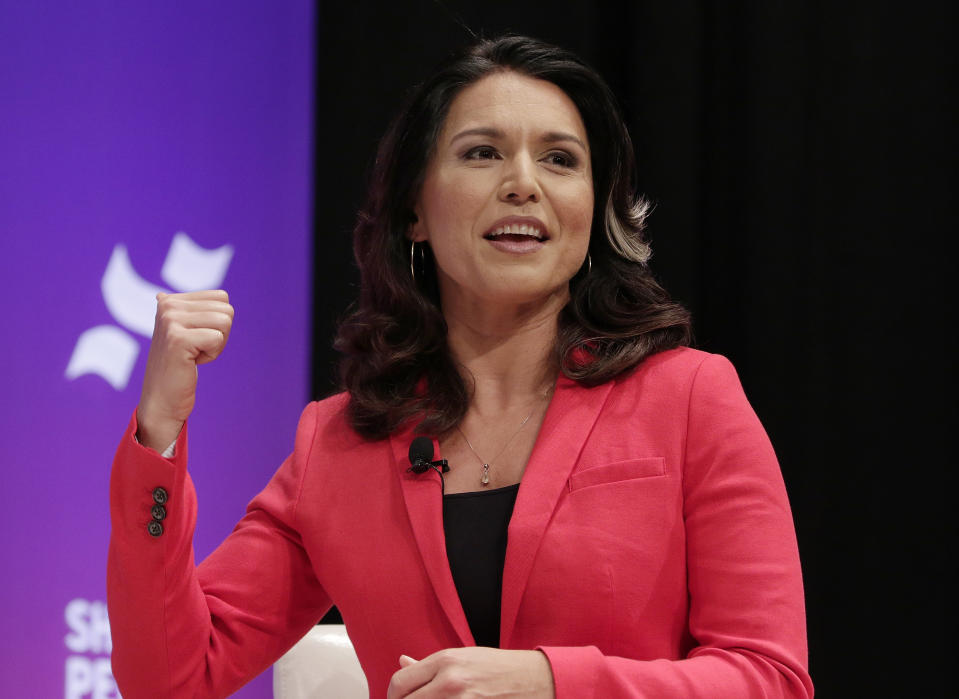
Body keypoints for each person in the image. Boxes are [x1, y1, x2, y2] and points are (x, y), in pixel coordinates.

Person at [107, 35, 813, 698]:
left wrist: (548, 682)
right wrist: (158, 430)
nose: (523, 183)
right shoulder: (337, 443)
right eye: (482, 153)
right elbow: (170, 676)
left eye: (560, 159)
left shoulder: (689, 396)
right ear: (414, 208)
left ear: (592, 210)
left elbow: (768, 676)